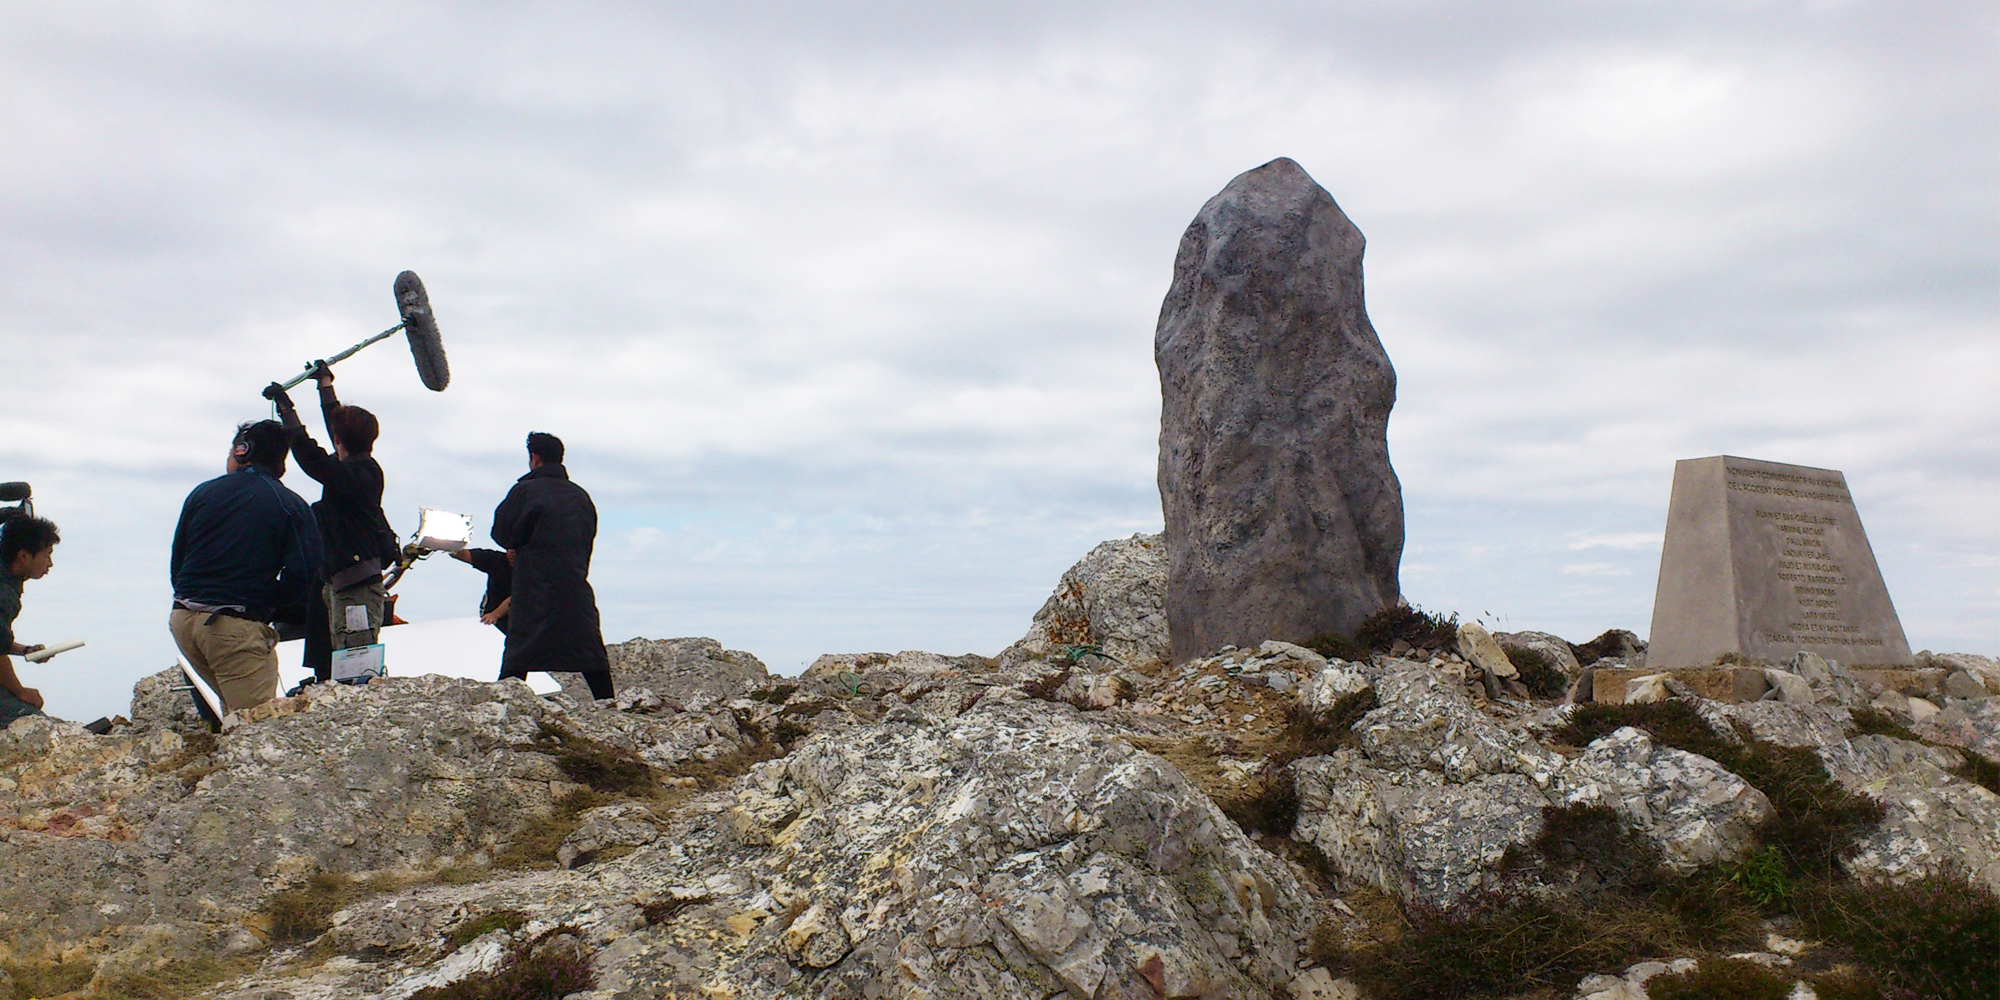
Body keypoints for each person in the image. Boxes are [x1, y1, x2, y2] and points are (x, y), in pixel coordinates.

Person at [170, 420, 324, 714]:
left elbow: (178, 562)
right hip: (234, 626)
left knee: (233, 714)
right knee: (256, 727)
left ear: (243, 452)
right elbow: (305, 574)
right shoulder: (289, 503)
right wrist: (270, 608)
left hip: (182, 620)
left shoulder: (201, 493)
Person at [264, 365, 398, 682]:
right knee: (341, 657)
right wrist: (325, 386)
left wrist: (287, 410)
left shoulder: (353, 475)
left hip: (355, 586)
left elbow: (309, 455)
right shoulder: (360, 468)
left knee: (355, 667)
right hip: (345, 581)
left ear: (338, 439)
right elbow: (335, 431)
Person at [490, 432, 613, 699]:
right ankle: (609, 706)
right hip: (574, 588)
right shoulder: (581, 496)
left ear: (534, 458)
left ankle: (503, 710)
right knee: (589, 653)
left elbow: (501, 533)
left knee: (519, 656)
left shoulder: (525, 491)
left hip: (534, 590)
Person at [0, 517, 61, 726]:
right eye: (47, 556)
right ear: (24, 556)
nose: (50, 563)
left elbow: (1, 641)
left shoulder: (9, 577)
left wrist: (26, 650)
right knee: (33, 724)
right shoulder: (3, 591)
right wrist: (21, 692)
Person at [449, 547, 512, 632]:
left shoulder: (532, 570)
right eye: (510, 549)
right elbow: (460, 554)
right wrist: (449, 546)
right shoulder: (496, 560)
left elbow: (518, 597)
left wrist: (495, 614)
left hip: (523, 615)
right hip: (494, 615)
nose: (512, 553)